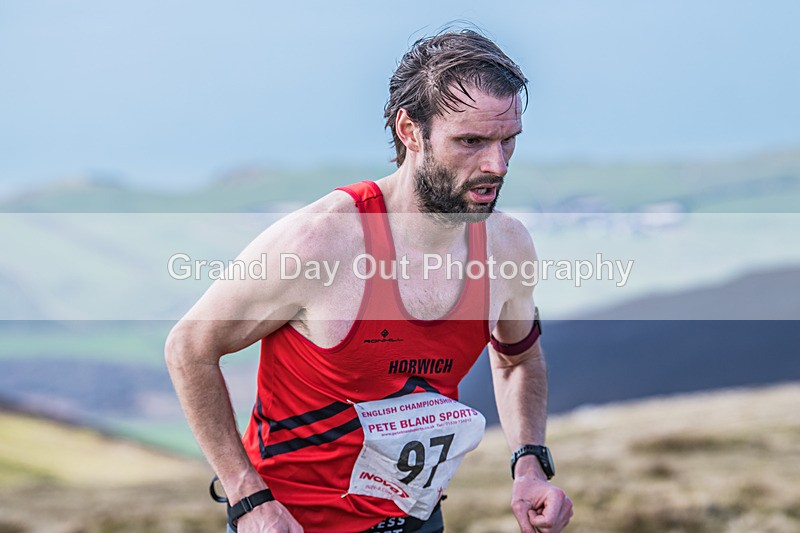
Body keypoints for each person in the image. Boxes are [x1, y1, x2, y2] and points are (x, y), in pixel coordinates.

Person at [165, 29, 573, 533]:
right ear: (410, 131)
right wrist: (247, 499)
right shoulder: (320, 242)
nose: (497, 165)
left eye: (508, 140)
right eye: (470, 141)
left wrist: (529, 465)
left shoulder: (506, 245)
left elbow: (518, 359)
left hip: (416, 521)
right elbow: (188, 348)